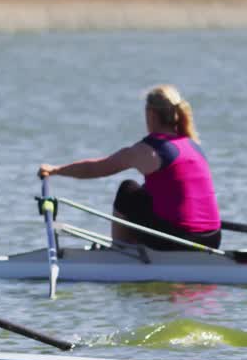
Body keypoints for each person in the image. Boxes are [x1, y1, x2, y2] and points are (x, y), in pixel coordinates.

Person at [37, 84, 221, 250]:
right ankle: (138, 246)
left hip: (177, 241)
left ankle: (120, 251)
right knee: (147, 192)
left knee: (128, 190)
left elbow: (96, 169)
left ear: (150, 114)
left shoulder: (148, 149)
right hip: (212, 239)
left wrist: (56, 170)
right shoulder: (193, 145)